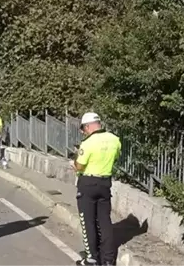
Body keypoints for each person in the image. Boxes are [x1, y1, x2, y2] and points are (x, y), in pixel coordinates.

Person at [73, 112, 121, 266]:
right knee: (105, 221)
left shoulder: (88, 143)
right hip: (105, 183)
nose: (83, 132)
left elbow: (79, 166)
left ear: (88, 126)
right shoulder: (115, 140)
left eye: (83, 129)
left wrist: (73, 164)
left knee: (88, 222)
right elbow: (115, 157)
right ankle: (108, 260)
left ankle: (91, 258)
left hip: (87, 183)